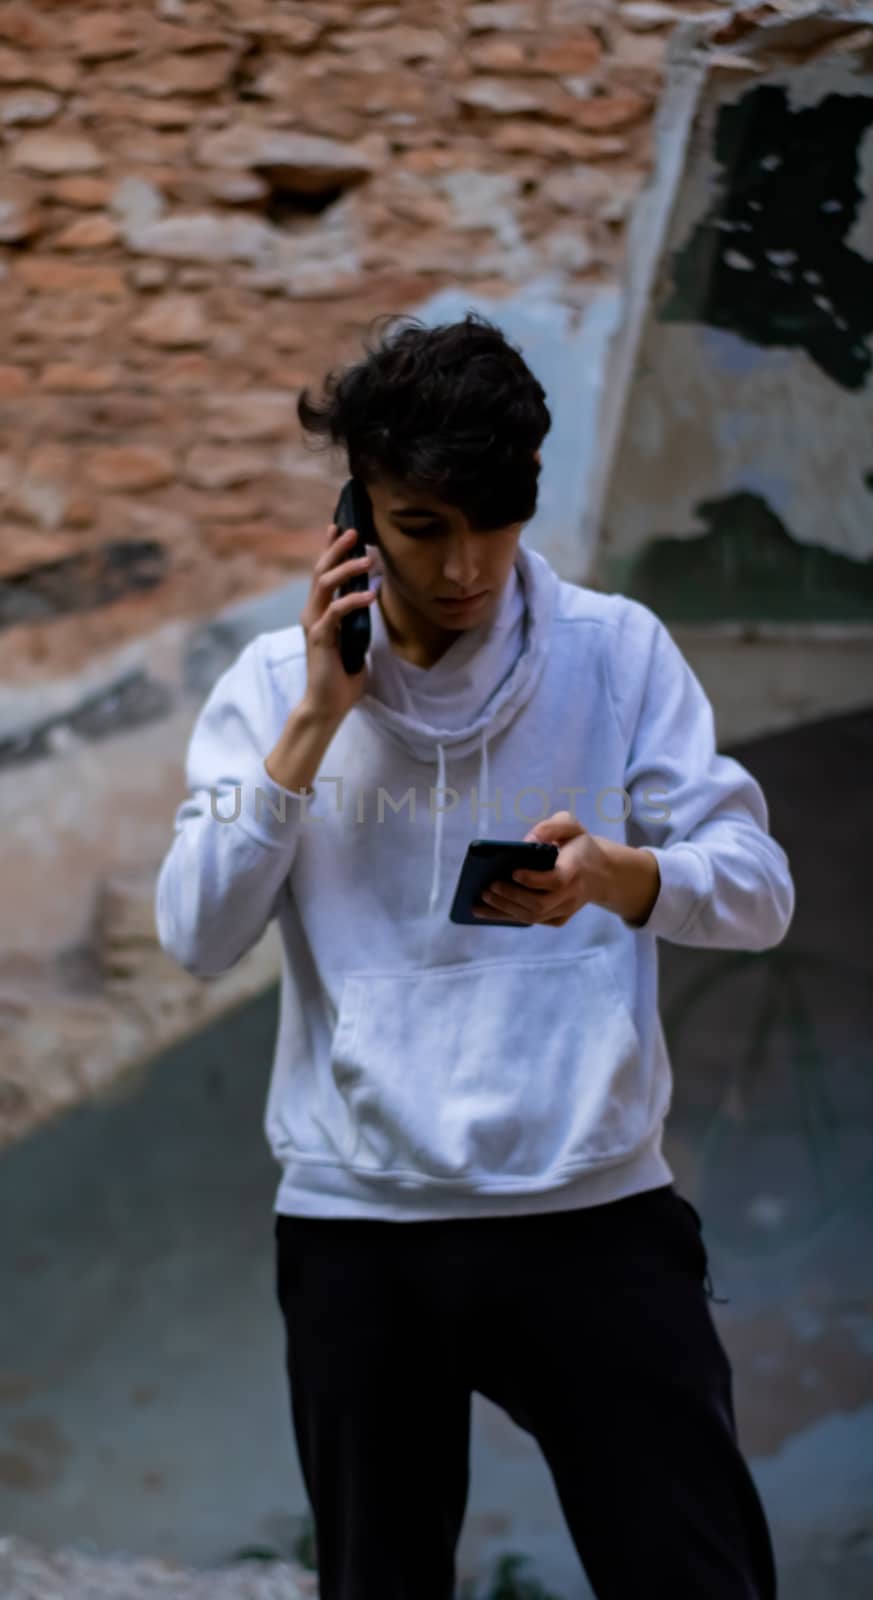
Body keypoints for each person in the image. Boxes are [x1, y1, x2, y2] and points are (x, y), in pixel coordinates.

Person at [154, 311, 794, 1600]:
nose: (466, 567)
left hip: (593, 1211)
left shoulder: (616, 655)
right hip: (359, 1225)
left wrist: (628, 878)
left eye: (494, 523)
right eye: (423, 526)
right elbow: (197, 934)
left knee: (697, 1576)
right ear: (357, 517)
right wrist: (311, 729)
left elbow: (761, 894)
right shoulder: (272, 687)